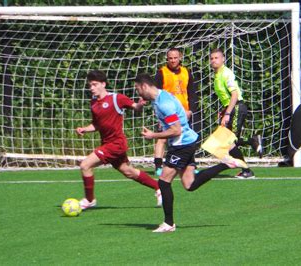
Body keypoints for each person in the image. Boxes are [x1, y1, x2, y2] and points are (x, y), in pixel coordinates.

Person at [134, 73, 248, 233]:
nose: (137, 92)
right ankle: (225, 163)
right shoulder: (160, 98)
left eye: (137, 89)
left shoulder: (164, 103)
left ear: (144, 86)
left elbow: (176, 129)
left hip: (182, 144)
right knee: (189, 184)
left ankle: (168, 223)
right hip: (185, 142)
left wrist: (153, 135)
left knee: (163, 181)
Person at [76, 70, 162, 210]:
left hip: (116, 144)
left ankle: (89, 200)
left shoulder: (116, 98)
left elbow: (135, 107)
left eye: (94, 84)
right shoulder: (93, 103)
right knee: (129, 171)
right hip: (107, 144)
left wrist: (140, 105)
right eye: (90, 85)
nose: (91, 88)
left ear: (103, 84)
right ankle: (159, 188)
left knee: (85, 165)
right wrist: (85, 129)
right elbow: (97, 124)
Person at [210, 48, 263, 179]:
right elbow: (226, 97)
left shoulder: (226, 73)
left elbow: (234, 95)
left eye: (216, 58)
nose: (213, 61)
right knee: (224, 141)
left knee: (229, 141)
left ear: (223, 59)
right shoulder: (217, 75)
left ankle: (247, 170)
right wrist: (224, 111)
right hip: (230, 108)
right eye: (211, 58)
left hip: (237, 107)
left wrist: (227, 113)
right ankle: (252, 142)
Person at [153, 47, 199, 176]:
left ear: (180, 58)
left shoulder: (186, 72)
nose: (173, 60)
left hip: (184, 112)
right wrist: (158, 116)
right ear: (167, 59)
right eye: (170, 58)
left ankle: (191, 164)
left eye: (175, 58)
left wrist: (190, 110)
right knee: (163, 138)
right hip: (168, 112)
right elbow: (156, 95)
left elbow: (192, 92)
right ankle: (158, 166)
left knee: (187, 138)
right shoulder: (161, 72)